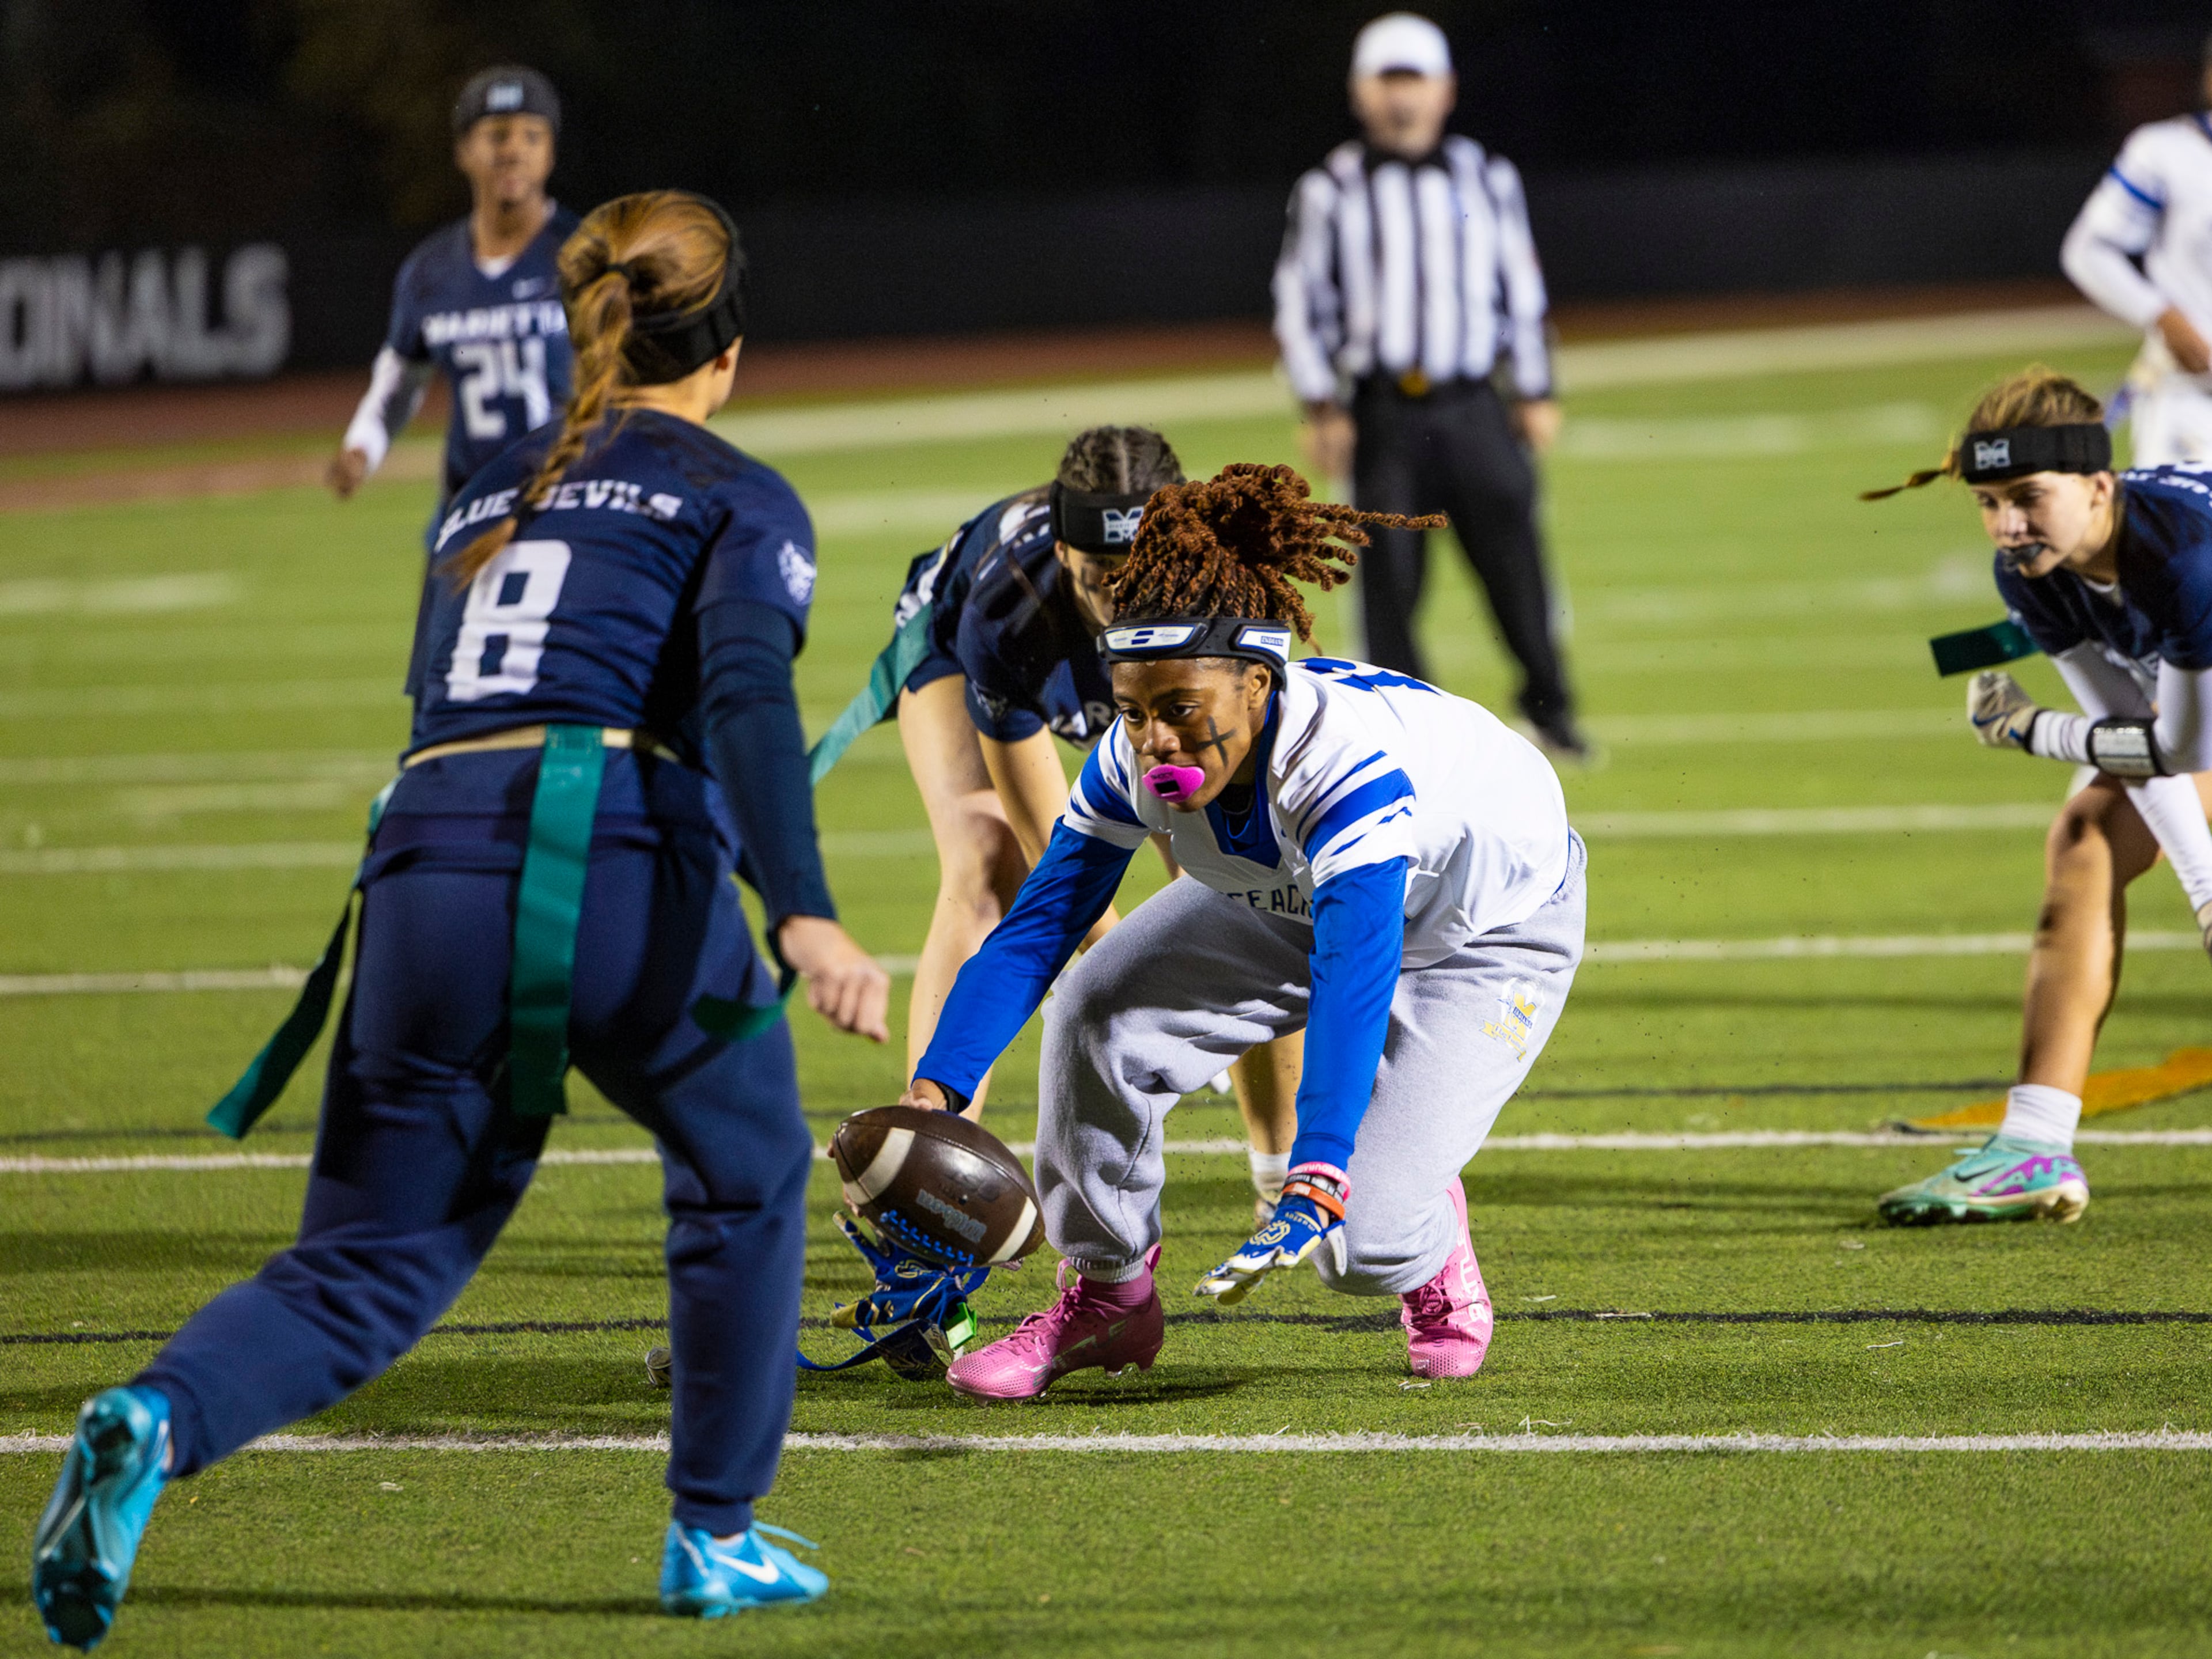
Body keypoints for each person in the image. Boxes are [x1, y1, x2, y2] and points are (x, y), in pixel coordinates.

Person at [31, 191, 889, 1647]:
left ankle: (157, 1416)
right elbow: (740, 696)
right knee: (744, 1176)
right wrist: (802, 912)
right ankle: (714, 1532)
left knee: (366, 1260)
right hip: (614, 848)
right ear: (727, 346)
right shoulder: (738, 490)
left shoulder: (487, 485)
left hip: (422, 861)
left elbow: (453, 702)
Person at [895, 463, 1584, 1399]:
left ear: (1258, 685)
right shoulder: (1135, 751)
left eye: (1181, 711)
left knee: (1359, 1239)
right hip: (1294, 895)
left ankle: (1426, 1240)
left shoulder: (1340, 770)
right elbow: (1039, 927)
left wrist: (1321, 1163)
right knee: (1097, 1004)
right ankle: (1107, 1294)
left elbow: (1354, 977)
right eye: (1135, 711)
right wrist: (939, 1087)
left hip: (1487, 929)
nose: (1157, 743)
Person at [859, 427, 1302, 1218]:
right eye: (1101, 578)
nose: (1120, 604)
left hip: (1159, 674)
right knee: (986, 859)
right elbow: (1060, 875)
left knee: (1245, 885)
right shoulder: (1007, 609)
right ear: (1065, 555)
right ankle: (927, 1154)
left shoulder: (1227, 598)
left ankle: (1280, 1171)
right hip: (956, 639)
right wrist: (1141, 987)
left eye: (1139, 578)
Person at [1863, 368, 2212, 1224]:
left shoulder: (2185, 560)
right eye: (1988, 501)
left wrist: (2028, 730)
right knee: (2086, 839)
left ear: (2100, 486)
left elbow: (2184, 747)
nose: (2007, 524)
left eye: (2026, 496)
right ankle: (2033, 1148)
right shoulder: (2031, 572)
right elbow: (2136, 735)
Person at [1272, 12, 1585, 759]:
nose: (1402, 99)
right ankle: (1403, 734)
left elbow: (1522, 290)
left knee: (1516, 567)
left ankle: (1551, 708)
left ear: (1445, 90)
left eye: (1415, 81)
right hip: (1382, 410)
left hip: (1474, 402)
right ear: (1360, 92)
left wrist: (1535, 388)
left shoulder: (1487, 175)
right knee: (1387, 585)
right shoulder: (1329, 188)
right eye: (1388, 81)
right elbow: (1299, 297)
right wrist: (1319, 402)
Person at [327, 66, 577, 519]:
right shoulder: (430, 271)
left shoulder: (586, 256)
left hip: (570, 506)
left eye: (532, 136)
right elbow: (400, 386)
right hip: (469, 510)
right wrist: (361, 448)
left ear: (552, 153)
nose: (514, 151)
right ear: (464, 150)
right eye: (498, 136)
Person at [2061, 36, 2212, 466]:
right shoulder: (2167, 151)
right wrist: (2163, 316)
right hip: (2195, 399)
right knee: (2186, 533)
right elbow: (2088, 250)